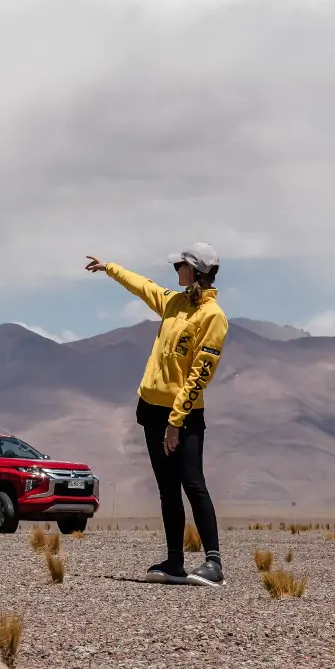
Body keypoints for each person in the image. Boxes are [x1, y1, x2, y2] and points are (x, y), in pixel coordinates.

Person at [86, 243, 227, 585]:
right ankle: (175, 561)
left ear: (194, 270)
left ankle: (214, 564)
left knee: (193, 483)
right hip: (151, 410)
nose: (175, 269)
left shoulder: (213, 317)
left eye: (180, 264)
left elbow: (199, 375)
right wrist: (109, 267)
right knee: (167, 488)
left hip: (185, 416)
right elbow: (143, 286)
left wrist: (176, 422)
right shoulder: (173, 302)